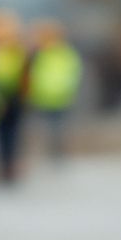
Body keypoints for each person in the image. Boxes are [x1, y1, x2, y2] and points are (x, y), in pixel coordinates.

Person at [0, 8, 29, 184]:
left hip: (10, 99)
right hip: (3, 99)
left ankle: (8, 165)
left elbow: (24, 77)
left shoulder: (13, 52)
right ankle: (5, 166)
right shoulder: (7, 52)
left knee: (8, 136)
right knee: (5, 136)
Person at [27, 18, 83, 162]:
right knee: (51, 126)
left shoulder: (63, 53)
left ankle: (57, 152)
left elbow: (74, 71)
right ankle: (53, 151)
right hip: (45, 95)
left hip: (60, 95)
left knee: (57, 126)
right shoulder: (40, 53)